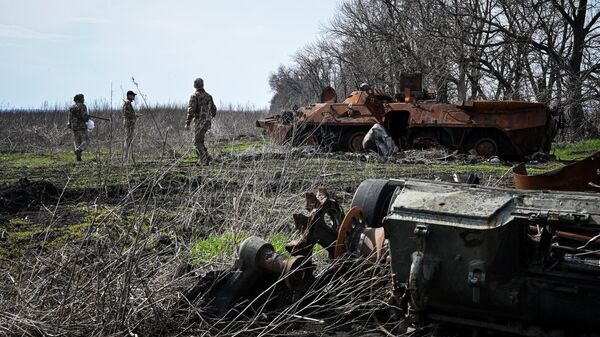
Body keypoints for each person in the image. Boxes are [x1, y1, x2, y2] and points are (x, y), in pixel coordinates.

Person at [185, 77, 217, 165]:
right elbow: (214, 109)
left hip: (199, 123)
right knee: (200, 141)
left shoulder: (194, 96)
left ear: (195, 85)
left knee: (197, 143)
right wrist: (209, 117)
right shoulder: (208, 96)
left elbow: (191, 110)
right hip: (207, 123)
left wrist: (187, 123)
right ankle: (208, 158)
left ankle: (204, 161)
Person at [67, 93, 90, 162]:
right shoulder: (82, 106)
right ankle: (79, 150)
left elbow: (69, 118)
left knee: (77, 142)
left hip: (74, 127)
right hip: (81, 127)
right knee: (86, 141)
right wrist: (88, 117)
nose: (84, 100)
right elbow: (84, 117)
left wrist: (70, 125)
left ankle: (78, 159)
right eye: (83, 98)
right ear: (80, 99)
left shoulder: (71, 107)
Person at [122, 90, 138, 161]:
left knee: (128, 139)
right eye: (132, 95)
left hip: (129, 122)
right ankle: (126, 157)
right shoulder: (127, 103)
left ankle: (127, 157)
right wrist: (134, 115)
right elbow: (126, 113)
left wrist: (135, 115)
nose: (134, 97)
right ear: (129, 96)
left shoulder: (127, 103)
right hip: (129, 123)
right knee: (128, 139)